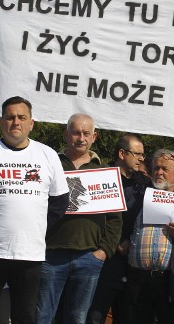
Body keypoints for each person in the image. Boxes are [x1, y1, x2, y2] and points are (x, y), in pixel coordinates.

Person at [0, 96, 69, 324]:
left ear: (31, 123)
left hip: (30, 252)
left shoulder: (47, 155)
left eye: (21, 117)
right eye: (9, 117)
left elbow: (60, 201)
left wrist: (37, 226)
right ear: (2, 122)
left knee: (24, 316)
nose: (15, 122)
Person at [37, 113, 122, 324]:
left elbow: (115, 219)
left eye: (86, 133)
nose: (81, 138)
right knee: (42, 316)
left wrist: (103, 252)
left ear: (95, 137)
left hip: (88, 258)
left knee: (78, 318)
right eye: (76, 132)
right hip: (50, 255)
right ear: (66, 135)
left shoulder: (104, 172)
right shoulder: (49, 166)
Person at [123, 149, 174, 324]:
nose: (159, 172)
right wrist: (123, 240)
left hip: (170, 284)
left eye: (165, 169)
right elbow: (120, 224)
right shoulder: (137, 195)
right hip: (137, 280)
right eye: (156, 168)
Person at [87, 134, 150, 324]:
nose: (141, 158)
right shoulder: (102, 178)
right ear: (122, 153)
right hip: (104, 260)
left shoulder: (146, 185)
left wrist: (131, 242)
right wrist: (112, 244)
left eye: (143, 155)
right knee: (95, 316)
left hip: (132, 266)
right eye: (137, 153)